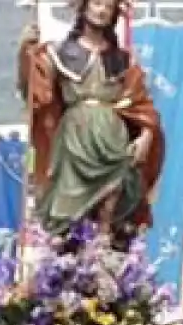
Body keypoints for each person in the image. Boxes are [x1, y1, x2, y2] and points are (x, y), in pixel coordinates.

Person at [18, 0, 164, 238]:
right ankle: (67, 260)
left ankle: (104, 253)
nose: (102, 10)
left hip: (111, 139)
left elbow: (143, 106)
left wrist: (147, 135)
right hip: (74, 142)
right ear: (83, 7)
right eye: (96, 3)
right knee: (66, 211)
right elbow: (35, 91)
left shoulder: (124, 60)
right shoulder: (59, 53)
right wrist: (25, 54)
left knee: (112, 203)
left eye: (108, 6)